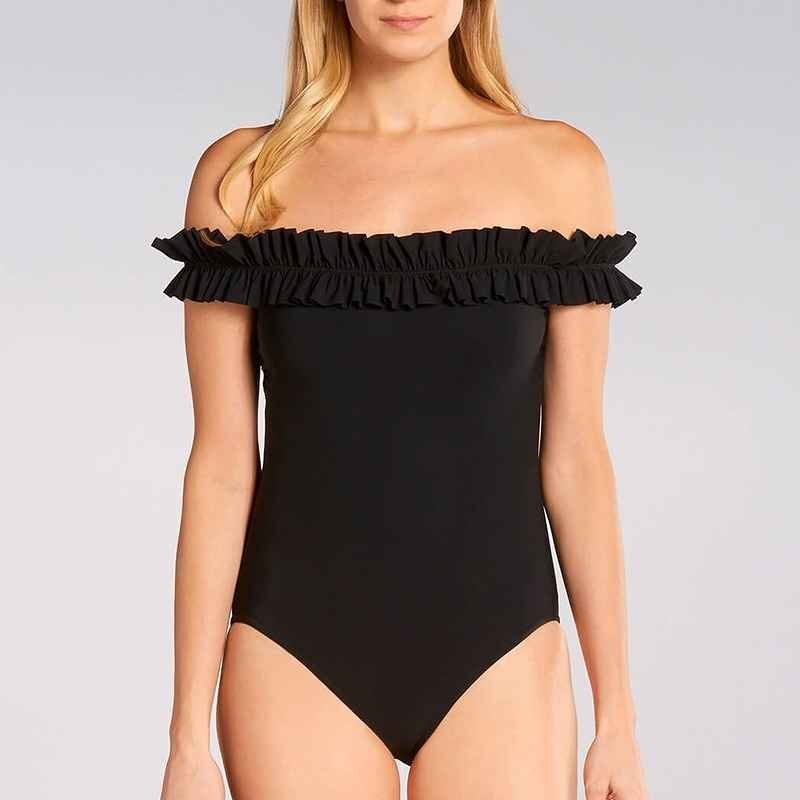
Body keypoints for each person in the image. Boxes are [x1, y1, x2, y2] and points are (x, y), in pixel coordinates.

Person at [153, 2, 648, 798]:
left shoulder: (558, 169)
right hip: (293, 651)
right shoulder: (244, 178)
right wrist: (186, 739)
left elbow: (577, 458)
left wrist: (617, 720)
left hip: (501, 647)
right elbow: (220, 466)